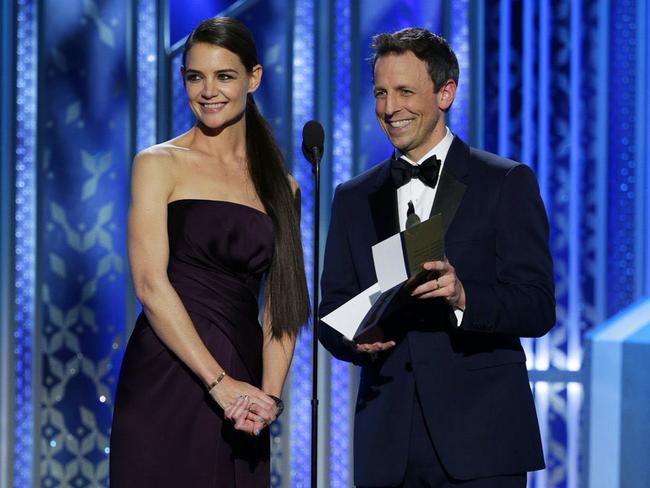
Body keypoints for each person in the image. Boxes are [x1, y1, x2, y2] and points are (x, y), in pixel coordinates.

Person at [319, 27, 555, 488]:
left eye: (406, 91)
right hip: (387, 443)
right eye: (381, 93)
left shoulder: (505, 182)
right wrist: (353, 341)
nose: (389, 108)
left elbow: (537, 304)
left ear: (446, 92)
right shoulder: (353, 198)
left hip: (482, 439)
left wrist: (465, 296)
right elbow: (331, 311)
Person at [110, 17, 309, 487]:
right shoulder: (158, 164)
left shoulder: (284, 188)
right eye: (195, 77)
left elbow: (282, 306)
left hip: (244, 387)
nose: (208, 91)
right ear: (183, 80)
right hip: (168, 373)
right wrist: (220, 385)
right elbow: (150, 285)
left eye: (224, 76)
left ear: (253, 78)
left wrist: (267, 399)